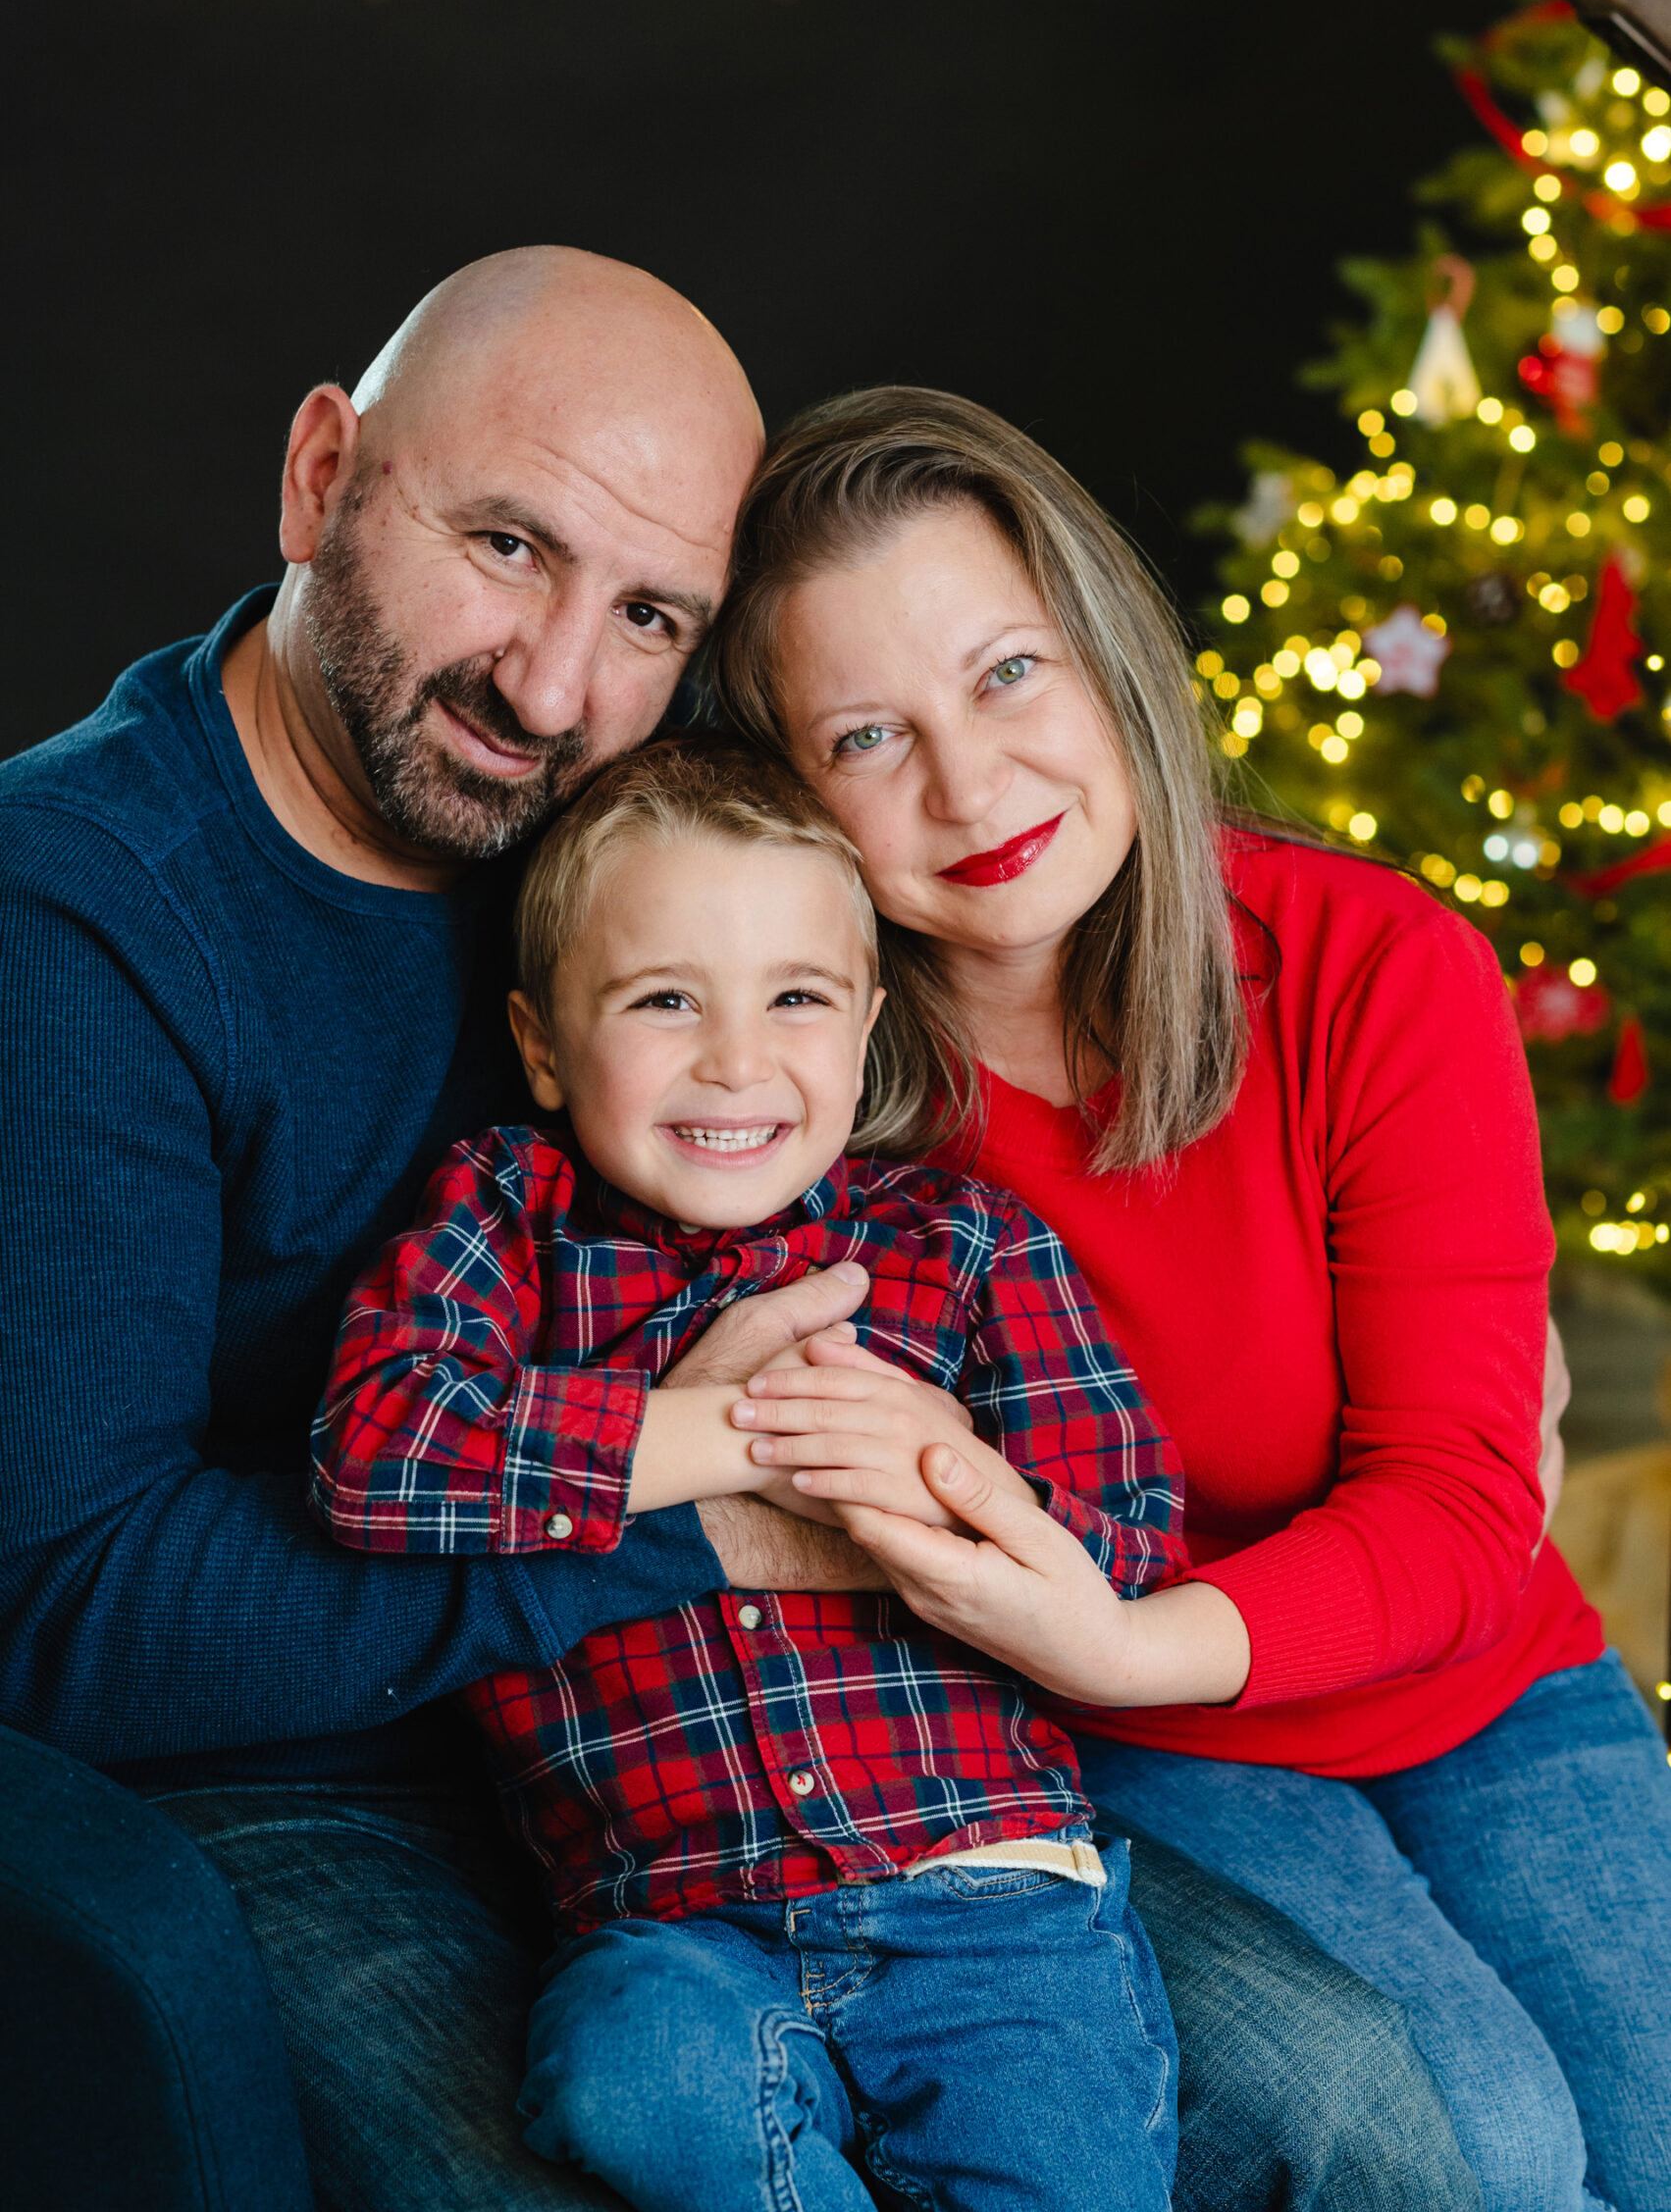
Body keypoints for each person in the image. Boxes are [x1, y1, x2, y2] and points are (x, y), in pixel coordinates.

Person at [0, 244, 1481, 2212]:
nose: (551, 683)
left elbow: (955, 1069)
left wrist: (1439, 1338)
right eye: (503, 544)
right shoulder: (77, 915)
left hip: (836, 1731)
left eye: (647, 615)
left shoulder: (619, 809)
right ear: (322, 474)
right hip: (312, 1773)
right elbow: (64, 1613)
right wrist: (703, 1504)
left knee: (1349, 2112)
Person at [708, 382, 1671, 2212]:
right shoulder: (788, 1094)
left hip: (1480, 1683)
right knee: (1488, 2153)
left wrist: (1124, 1635)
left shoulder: (1373, 966)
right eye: (866, 736)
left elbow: (1465, 1506)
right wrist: (1100, 1670)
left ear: (1107, 655)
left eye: (1009, 674)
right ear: (783, 790)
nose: (972, 787)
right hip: (1128, 1753)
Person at [310, 736, 1185, 2212]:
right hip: (674, 1924)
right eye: (665, 1000)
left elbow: (1134, 1552)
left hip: (987, 1892)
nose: (735, 1059)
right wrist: (709, 1432)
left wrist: (948, 1475)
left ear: (866, 1030)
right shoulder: (506, 1223)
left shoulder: (963, 1247)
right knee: (630, 2078)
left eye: (796, 998)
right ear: (543, 1044)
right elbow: (378, 1453)